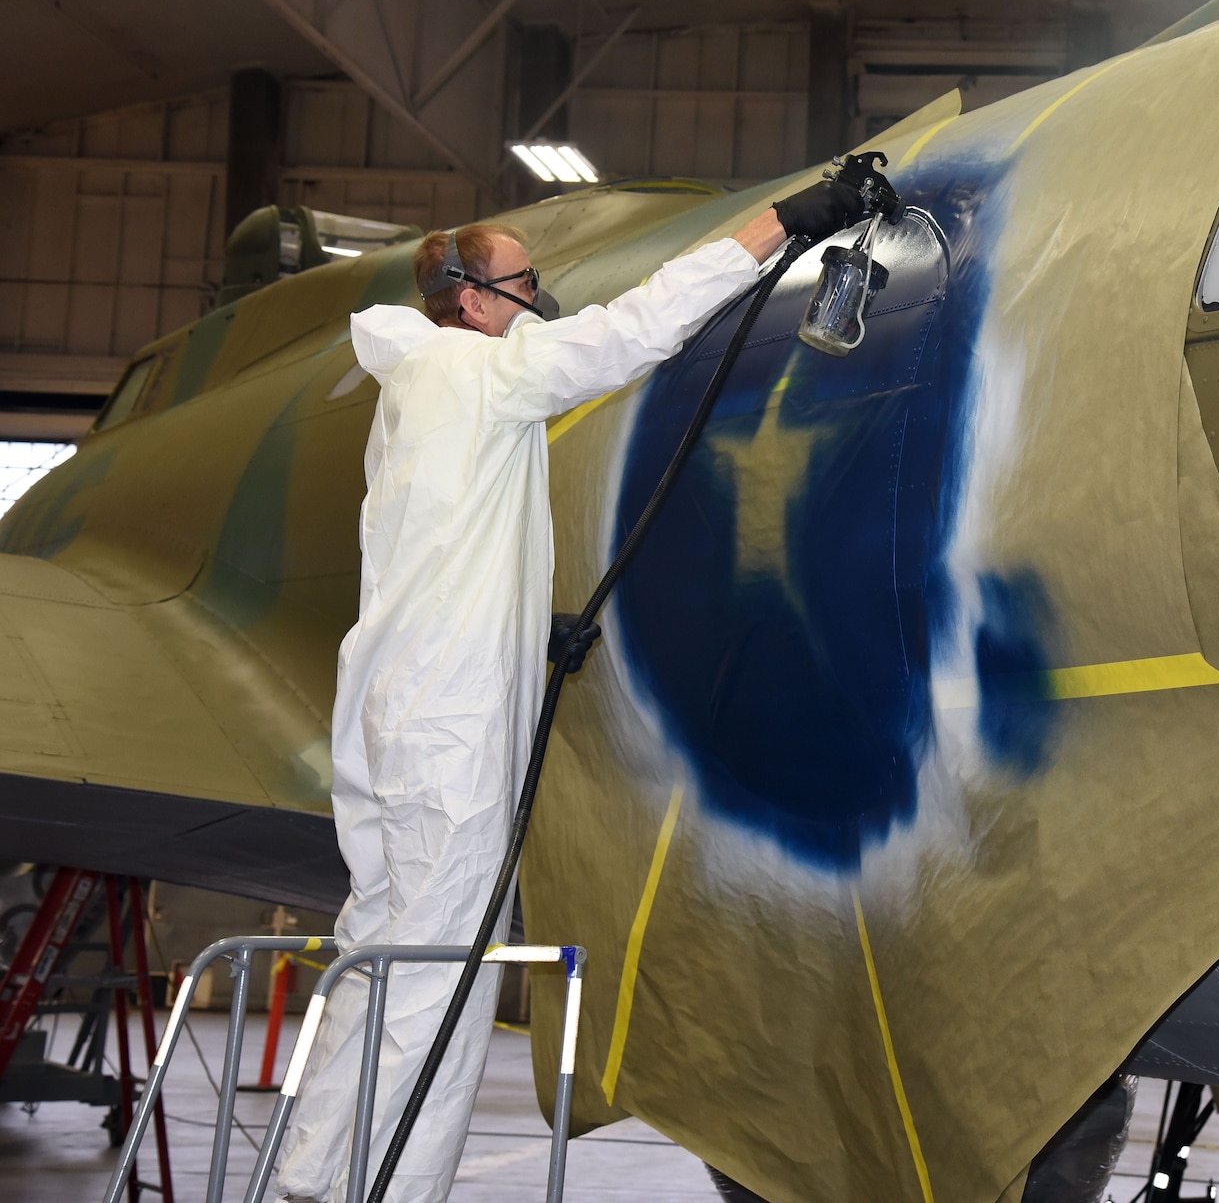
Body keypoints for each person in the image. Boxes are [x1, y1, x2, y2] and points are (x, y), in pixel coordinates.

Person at [274, 168, 872, 1203]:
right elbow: (632, 330)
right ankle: (378, 1196)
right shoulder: (469, 373)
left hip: (401, 714)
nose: (535, 301)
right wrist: (785, 221)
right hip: (447, 730)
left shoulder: (423, 392)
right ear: (468, 297)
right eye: (521, 285)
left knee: (385, 955)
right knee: (438, 975)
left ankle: (312, 1175)